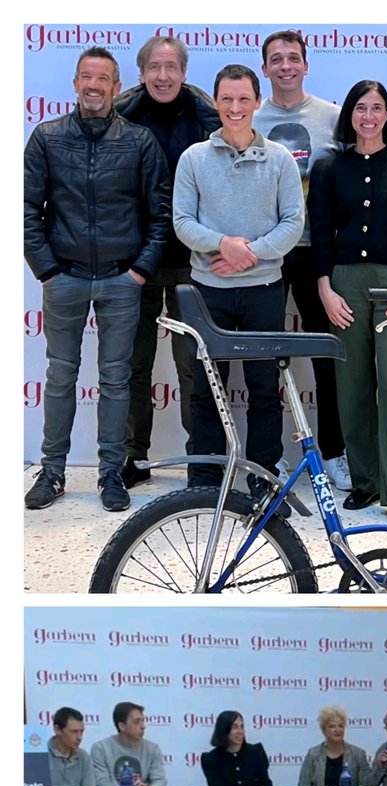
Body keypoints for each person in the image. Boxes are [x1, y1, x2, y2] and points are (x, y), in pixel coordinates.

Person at [24, 47, 171, 513]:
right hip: (63, 277)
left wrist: (139, 271)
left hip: (120, 280)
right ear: (75, 83)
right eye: (86, 77)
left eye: (103, 78)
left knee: (115, 380)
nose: (93, 85)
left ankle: (111, 474)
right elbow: (26, 209)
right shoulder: (46, 138)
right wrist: (46, 268)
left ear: (115, 86)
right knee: (61, 375)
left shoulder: (139, 141)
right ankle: (52, 473)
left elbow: (160, 215)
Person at [172, 63, 304, 502]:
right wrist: (224, 244)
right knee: (207, 390)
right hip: (207, 292)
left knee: (265, 388)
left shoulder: (281, 160)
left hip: (264, 290)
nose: (234, 108)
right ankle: (204, 482)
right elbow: (182, 223)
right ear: (215, 102)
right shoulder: (193, 158)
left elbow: (293, 224)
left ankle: (262, 479)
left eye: (243, 99)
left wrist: (247, 255)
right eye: (226, 99)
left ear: (257, 102)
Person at [309, 80, 387, 533]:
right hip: (344, 284)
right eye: (361, 108)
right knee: (352, 385)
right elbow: (321, 234)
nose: (369, 116)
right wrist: (325, 287)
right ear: (349, 114)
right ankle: (364, 480)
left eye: (377, 107)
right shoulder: (328, 169)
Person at [114, 36, 220, 487]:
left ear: (183, 71)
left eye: (171, 67)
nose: (163, 76)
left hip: (190, 260)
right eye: (154, 68)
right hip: (135, 259)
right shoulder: (120, 115)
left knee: (192, 363)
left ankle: (202, 460)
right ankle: (132, 457)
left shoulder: (207, 116)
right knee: (132, 361)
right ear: (141, 74)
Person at [253, 30, 350, 492]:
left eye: (294, 58)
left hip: (318, 255)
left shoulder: (333, 118)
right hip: (266, 254)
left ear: (306, 65)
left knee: (327, 357)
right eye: (277, 59)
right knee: (262, 358)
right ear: (265, 68)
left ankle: (335, 454)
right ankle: (264, 464)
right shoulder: (248, 118)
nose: (286, 66)